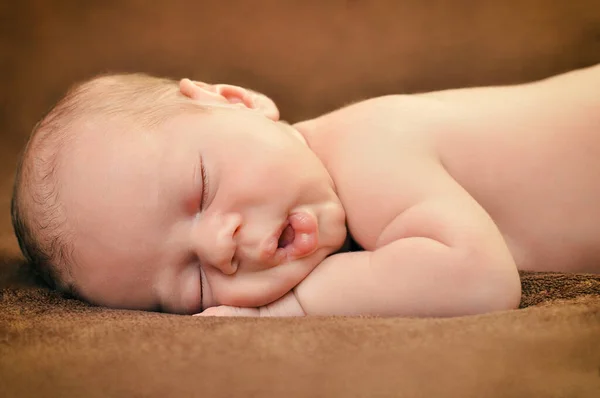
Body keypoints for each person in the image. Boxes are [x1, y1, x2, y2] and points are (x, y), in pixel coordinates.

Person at [11, 64, 600, 317]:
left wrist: (291, 308)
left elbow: (478, 279)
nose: (222, 248)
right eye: (193, 283)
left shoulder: (366, 144)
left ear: (238, 102)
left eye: (201, 189)